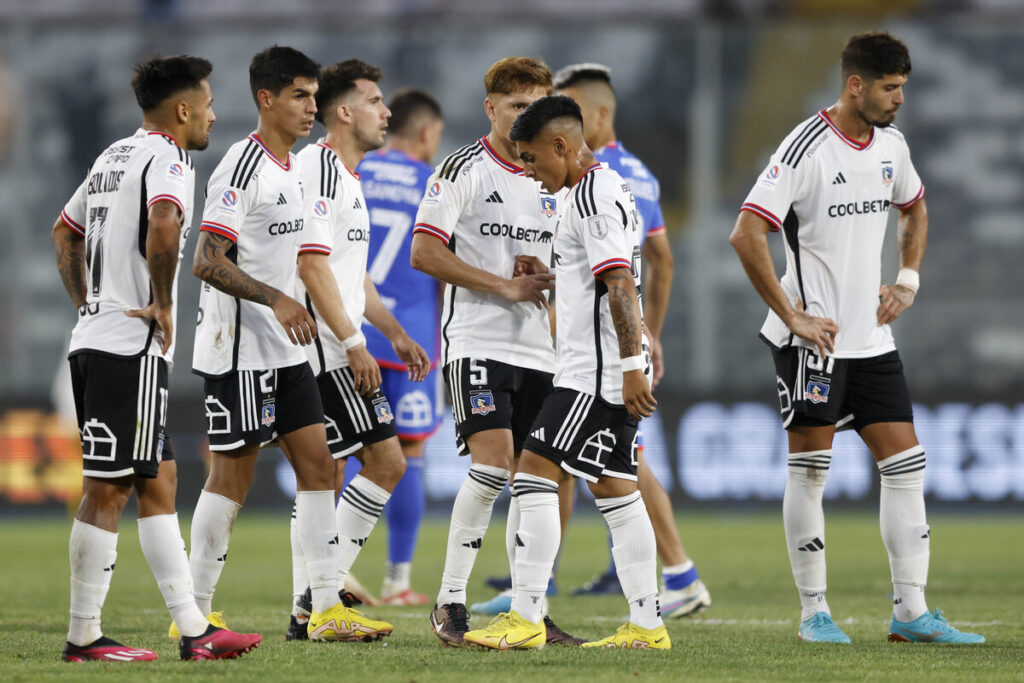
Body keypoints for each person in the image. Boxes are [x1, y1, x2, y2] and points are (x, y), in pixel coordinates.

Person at [729, 31, 983, 645]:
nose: (899, 99)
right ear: (856, 85)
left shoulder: (893, 146)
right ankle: (814, 611)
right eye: (891, 88)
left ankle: (911, 613)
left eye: (903, 88)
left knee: (906, 465)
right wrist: (792, 316)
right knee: (811, 471)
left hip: (871, 340)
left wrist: (908, 280)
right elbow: (745, 233)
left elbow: (915, 207)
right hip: (813, 340)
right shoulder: (804, 148)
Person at [53, 55, 261, 661]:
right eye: (209, 103)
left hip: (100, 336)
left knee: (158, 479)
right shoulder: (169, 158)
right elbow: (166, 223)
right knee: (109, 488)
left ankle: (194, 630)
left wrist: (89, 304)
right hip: (129, 344)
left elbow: (64, 231)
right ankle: (84, 635)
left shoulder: (111, 156)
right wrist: (162, 303)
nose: (214, 114)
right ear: (182, 110)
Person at [463, 95, 669, 650]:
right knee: (616, 491)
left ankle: (527, 616)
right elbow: (597, 276)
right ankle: (647, 626)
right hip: (602, 367)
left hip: (595, 373)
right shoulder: (597, 189)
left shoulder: (593, 198)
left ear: (562, 145)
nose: (529, 172)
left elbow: (620, 284)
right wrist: (553, 274)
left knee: (532, 472)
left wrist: (630, 368)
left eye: (532, 159)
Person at [187, 45, 354, 643]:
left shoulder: (298, 169)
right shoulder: (241, 164)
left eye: (315, 95)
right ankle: (197, 613)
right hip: (237, 346)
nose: (314, 107)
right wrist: (277, 300)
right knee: (232, 477)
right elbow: (206, 261)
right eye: (300, 96)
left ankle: (327, 609)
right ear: (266, 99)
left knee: (320, 466)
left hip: (286, 352)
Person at [409, 57, 578, 648]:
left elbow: (568, 265)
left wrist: (546, 275)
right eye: (514, 108)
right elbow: (424, 252)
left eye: (534, 108)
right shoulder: (464, 169)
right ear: (490, 107)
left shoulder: (551, 178)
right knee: (492, 463)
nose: (522, 120)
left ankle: (530, 608)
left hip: (541, 351)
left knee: (544, 478)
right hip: (477, 341)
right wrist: (504, 284)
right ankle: (450, 602)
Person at [548, 62, 709, 616]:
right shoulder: (638, 174)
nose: (557, 125)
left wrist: (632, 354)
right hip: (617, 344)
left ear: (599, 114)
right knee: (614, 466)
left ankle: (535, 590)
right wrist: (650, 334)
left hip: (594, 352)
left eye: (568, 111)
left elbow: (614, 276)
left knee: (559, 463)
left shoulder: (587, 178)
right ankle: (669, 583)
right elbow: (660, 259)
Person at [283, 59, 431, 642]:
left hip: (337, 342)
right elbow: (311, 266)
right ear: (343, 112)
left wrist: (391, 332)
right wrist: (352, 342)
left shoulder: (348, 176)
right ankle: (320, 601)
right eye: (374, 100)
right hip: (321, 347)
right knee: (375, 463)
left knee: (342, 470)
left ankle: (315, 603)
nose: (386, 111)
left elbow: (352, 276)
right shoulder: (320, 171)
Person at [353, 88, 446, 605]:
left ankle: (334, 566)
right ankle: (398, 579)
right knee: (408, 452)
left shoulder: (355, 170)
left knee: (347, 445)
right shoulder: (433, 183)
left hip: (353, 327)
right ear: (428, 133)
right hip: (411, 335)